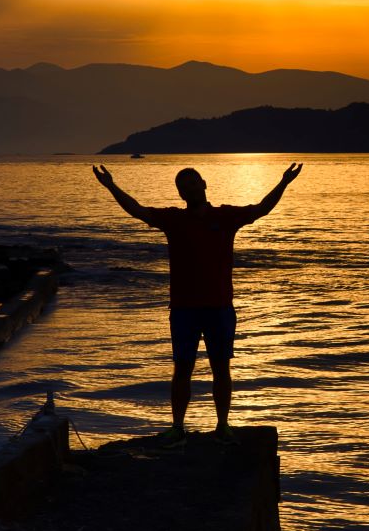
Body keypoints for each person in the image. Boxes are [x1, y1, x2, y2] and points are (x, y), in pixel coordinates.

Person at [92, 162, 303, 445]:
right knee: (182, 369)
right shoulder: (173, 220)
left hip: (219, 307)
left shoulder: (225, 216)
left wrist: (284, 182)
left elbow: (261, 209)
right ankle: (178, 427)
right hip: (184, 309)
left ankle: (222, 426)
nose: (189, 189)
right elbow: (138, 210)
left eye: (192, 183)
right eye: (183, 187)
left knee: (221, 368)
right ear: (180, 194)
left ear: (203, 184)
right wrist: (111, 186)